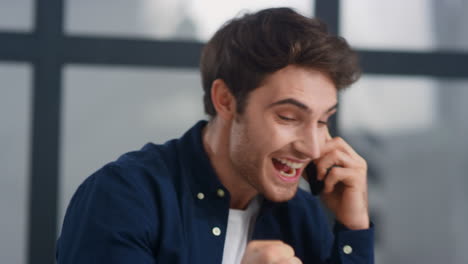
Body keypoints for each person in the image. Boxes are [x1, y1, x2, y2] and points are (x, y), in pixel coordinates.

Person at [56, 7, 374, 264]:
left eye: (322, 121)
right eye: (288, 117)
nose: (314, 147)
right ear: (225, 100)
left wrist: (354, 227)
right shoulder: (122, 197)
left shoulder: (302, 215)